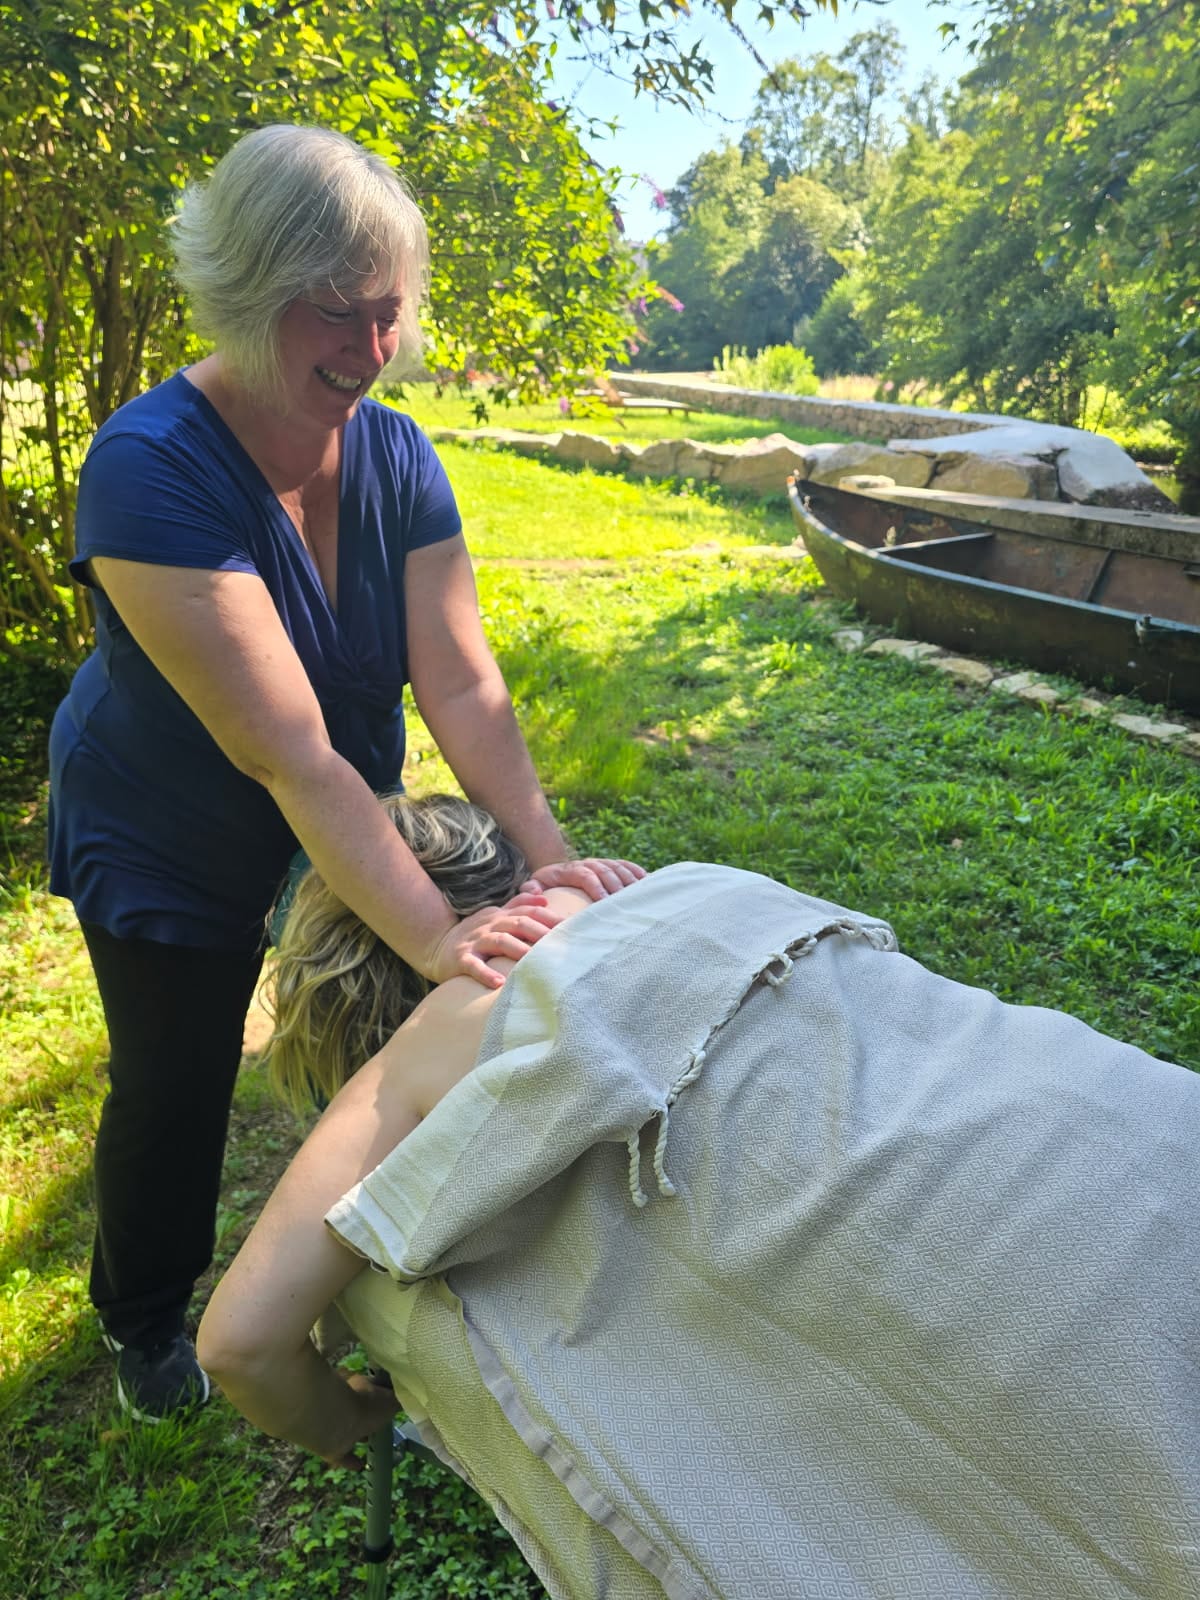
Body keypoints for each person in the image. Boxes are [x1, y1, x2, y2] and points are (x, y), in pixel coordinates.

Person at [198, 795, 1200, 1600]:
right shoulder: (666, 887)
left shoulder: (434, 1034)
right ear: (515, 875)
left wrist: (342, 1418)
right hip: (1120, 1131)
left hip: (1031, 1314)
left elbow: (241, 1344)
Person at [47, 123, 643, 1423]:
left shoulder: (398, 453)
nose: (373, 348)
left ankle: (369, 1268)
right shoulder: (147, 467)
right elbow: (286, 749)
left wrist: (551, 860)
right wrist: (436, 933)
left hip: (342, 806)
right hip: (164, 824)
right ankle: (145, 1317)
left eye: (390, 311)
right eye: (335, 310)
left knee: (382, 1032)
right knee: (177, 1080)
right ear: (246, 289)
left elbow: (463, 683)